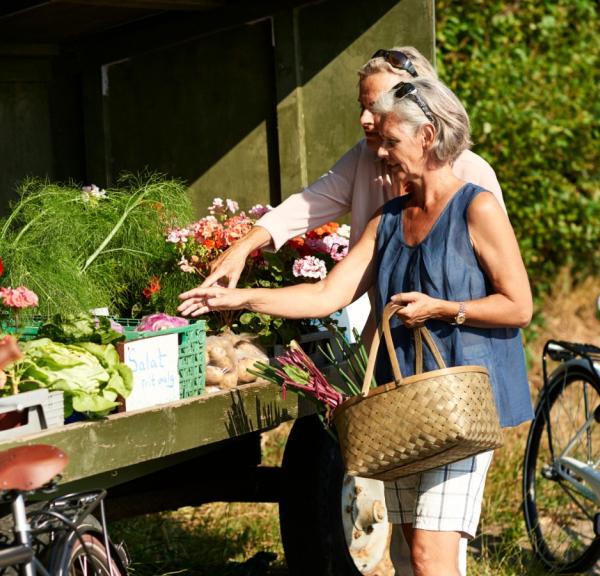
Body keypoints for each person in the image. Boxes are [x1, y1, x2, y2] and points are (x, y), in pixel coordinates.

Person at [178, 76, 534, 575]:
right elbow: (328, 294)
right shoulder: (387, 219)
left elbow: (519, 307)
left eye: (391, 142)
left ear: (428, 137)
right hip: (404, 408)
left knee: (431, 556)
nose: (381, 154)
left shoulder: (477, 207)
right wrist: (239, 296)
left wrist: (443, 308)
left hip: (461, 405)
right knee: (415, 554)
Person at [200, 47, 506, 292]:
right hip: (387, 342)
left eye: (376, 108)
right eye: (362, 106)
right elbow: (306, 207)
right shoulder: (363, 159)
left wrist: (454, 313)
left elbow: (509, 295)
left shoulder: (473, 176)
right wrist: (242, 248)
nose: (364, 119)